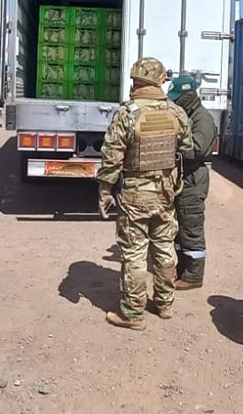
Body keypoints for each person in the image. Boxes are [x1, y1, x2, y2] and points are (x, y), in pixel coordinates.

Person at [96, 57, 193, 330]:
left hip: (135, 195)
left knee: (135, 254)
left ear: (135, 81)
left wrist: (104, 190)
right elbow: (188, 147)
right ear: (161, 81)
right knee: (164, 248)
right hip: (166, 193)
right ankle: (165, 305)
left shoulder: (127, 113)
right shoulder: (176, 112)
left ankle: (132, 313)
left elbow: (112, 157)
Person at [166, 75, 217, 290]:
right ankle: (182, 270)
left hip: (193, 178)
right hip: (183, 177)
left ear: (188, 97)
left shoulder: (202, 119)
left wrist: (172, 142)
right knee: (180, 227)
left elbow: (197, 148)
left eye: (177, 99)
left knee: (191, 226)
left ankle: (194, 276)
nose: (175, 103)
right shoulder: (188, 115)